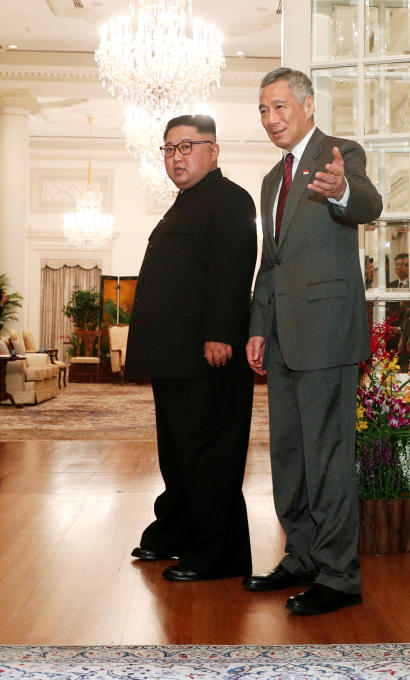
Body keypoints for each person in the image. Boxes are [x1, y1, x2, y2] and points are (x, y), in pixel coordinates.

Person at [244, 67, 383, 615]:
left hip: (325, 333)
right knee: (290, 456)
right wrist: (258, 325)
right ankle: (300, 556)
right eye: (262, 110)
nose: (270, 119)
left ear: (307, 106)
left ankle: (339, 576)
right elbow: (269, 262)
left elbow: (367, 204)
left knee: (327, 457)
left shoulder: (339, 152)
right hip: (280, 336)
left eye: (279, 107)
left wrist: (343, 189)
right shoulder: (271, 180)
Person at [124, 114, 258, 582]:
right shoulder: (186, 203)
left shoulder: (230, 199)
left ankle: (219, 556)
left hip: (208, 356)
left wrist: (220, 333)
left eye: (187, 147)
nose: (176, 157)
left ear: (213, 151)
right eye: (169, 149)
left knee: (208, 457)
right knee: (178, 456)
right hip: (175, 357)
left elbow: (232, 272)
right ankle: (177, 532)